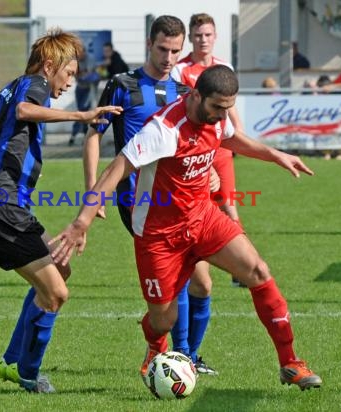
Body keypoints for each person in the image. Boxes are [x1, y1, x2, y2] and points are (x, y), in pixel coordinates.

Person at [51, 65, 322, 391]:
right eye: (216, 107)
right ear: (195, 95)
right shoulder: (163, 129)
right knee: (164, 320)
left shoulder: (217, 118)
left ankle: (290, 362)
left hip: (204, 220)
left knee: (259, 271)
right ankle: (155, 347)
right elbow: (115, 171)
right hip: (159, 238)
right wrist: (82, 222)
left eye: (227, 108)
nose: (221, 115)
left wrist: (277, 155)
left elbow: (233, 140)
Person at [0, 28, 122, 394]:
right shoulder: (33, 84)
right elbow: (24, 111)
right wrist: (82, 116)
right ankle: (28, 374)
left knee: (59, 266)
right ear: (50, 65)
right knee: (55, 294)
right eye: (69, 73)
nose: (70, 82)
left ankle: (10, 361)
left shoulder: (10, 88)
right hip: (1, 206)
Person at [83, 15, 217, 375]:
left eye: (175, 50)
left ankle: (182, 355)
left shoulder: (187, 91)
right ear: (149, 43)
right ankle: (183, 355)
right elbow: (94, 134)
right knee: (183, 279)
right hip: (140, 200)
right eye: (162, 48)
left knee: (203, 283)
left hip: (183, 198)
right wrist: (92, 191)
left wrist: (213, 171)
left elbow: (194, 142)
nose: (169, 57)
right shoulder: (122, 84)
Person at [171, 14, 247, 349]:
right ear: (191, 38)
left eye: (208, 34)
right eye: (198, 35)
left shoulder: (223, 67)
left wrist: (239, 139)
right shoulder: (181, 70)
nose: (203, 39)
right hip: (192, 150)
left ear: (215, 37)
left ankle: (238, 267)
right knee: (197, 212)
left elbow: (230, 112)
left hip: (220, 150)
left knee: (230, 206)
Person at [69, 51, 101, 145]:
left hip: (88, 89)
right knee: (80, 112)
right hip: (80, 88)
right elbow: (78, 75)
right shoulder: (76, 61)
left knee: (83, 111)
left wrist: (85, 75)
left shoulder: (90, 59)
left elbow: (90, 73)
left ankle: (81, 136)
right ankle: (76, 135)